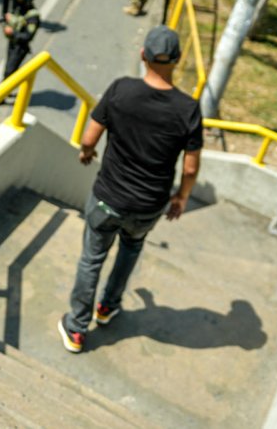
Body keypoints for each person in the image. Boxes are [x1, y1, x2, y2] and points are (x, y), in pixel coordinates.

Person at [58, 25, 203, 353]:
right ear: (177, 60)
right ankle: (108, 307)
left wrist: (86, 152)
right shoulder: (188, 109)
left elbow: (89, 137)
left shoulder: (121, 89)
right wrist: (181, 197)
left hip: (108, 199)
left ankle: (77, 329)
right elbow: (191, 167)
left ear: (143, 56)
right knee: (131, 249)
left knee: (92, 258)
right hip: (149, 206)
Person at [1, 0, 41, 83]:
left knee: (9, 72)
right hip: (12, 43)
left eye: (18, 0)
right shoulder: (19, 9)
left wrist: (12, 32)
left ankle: (3, 96)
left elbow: (27, 36)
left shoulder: (33, 17)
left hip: (20, 47)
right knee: (8, 69)